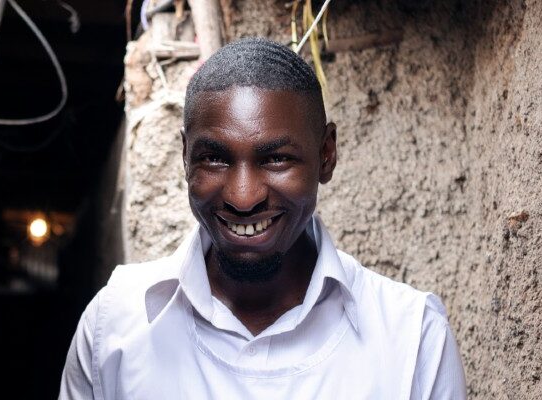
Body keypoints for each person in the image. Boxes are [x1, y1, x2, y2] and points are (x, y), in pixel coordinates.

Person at [58, 37, 466, 399]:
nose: (243, 196)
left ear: (326, 155)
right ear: (185, 157)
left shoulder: (412, 338)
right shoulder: (114, 328)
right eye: (214, 158)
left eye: (276, 159)